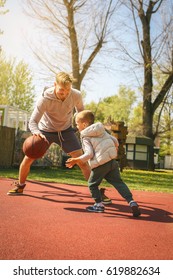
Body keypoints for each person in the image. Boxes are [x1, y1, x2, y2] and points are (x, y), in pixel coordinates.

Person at [7, 71, 91, 195]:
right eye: (62, 90)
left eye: (68, 90)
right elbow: (33, 121)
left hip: (66, 131)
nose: (65, 94)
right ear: (54, 85)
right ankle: (20, 185)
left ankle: (96, 191)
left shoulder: (76, 95)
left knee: (82, 161)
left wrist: (82, 125)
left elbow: (81, 112)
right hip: (45, 131)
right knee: (28, 158)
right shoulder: (45, 98)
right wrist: (36, 133)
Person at [66, 110, 141, 217]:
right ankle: (131, 202)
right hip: (111, 161)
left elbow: (89, 154)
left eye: (77, 124)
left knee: (92, 184)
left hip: (100, 163)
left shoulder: (85, 136)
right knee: (119, 183)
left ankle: (98, 205)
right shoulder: (101, 129)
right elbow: (114, 140)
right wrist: (114, 147)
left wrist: (76, 160)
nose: (77, 126)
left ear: (84, 124)